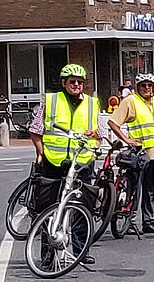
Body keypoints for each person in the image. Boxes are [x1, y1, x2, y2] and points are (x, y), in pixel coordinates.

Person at [28, 63, 102, 266]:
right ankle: (47, 255)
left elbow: (99, 133)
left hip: (82, 161)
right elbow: (35, 130)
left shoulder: (92, 104)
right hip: (54, 160)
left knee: (82, 206)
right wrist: (41, 153)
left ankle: (81, 250)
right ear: (64, 83)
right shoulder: (50, 101)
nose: (76, 85)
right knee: (50, 208)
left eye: (80, 82)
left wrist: (94, 138)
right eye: (72, 82)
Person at [106, 72, 154, 234]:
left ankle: (148, 222)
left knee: (149, 189)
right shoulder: (131, 101)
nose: (147, 88)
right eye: (143, 85)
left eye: (150, 85)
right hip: (138, 153)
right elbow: (112, 121)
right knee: (133, 188)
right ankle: (129, 219)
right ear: (137, 87)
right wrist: (126, 139)